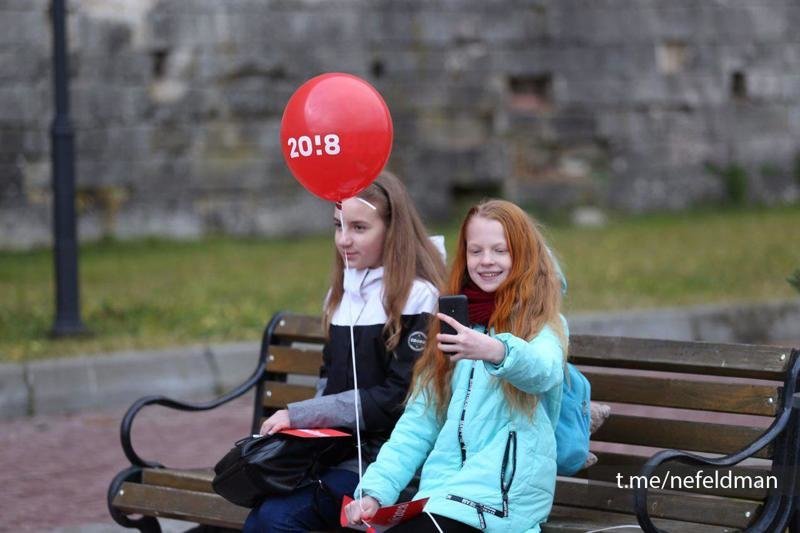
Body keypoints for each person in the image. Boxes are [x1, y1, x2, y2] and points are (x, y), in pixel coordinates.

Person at [345, 199, 568, 532]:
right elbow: (420, 421)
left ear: (522, 255)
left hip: (503, 500)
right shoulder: (454, 324)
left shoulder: (543, 324)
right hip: (443, 493)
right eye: (475, 251)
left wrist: (495, 350)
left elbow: (544, 371)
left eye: (500, 250)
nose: (486, 261)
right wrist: (376, 491)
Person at [242, 171, 447, 532]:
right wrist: (304, 438)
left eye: (359, 228)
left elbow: (397, 398)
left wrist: (302, 414)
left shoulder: (420, 297)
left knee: (278, 519)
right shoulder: (341, 295)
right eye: (338, 226)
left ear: (392, 229)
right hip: (336, 456)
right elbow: (329, 378)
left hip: (389, 463)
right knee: (260, 515)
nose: (343, 240)